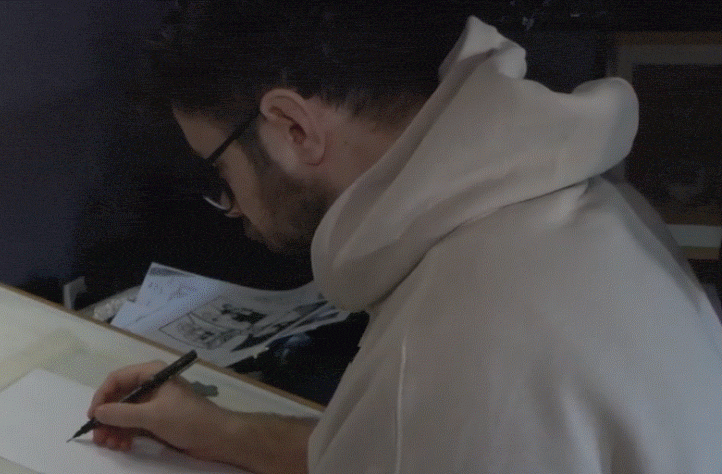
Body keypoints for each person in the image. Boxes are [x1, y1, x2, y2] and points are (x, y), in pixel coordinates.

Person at [86, 1, 722, 473]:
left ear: (293, 127)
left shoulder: (464, 332)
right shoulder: (574, 207)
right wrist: (221, 431)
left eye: (219, 172)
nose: (230, 209)